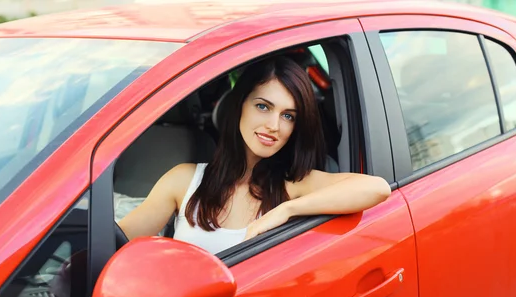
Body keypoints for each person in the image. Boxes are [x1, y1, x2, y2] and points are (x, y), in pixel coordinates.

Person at [118, 56, 391, 254]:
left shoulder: (294, 185)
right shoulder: (185, 180)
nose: (274, 125)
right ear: (239, 107)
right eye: (263, 106)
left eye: (288, 116)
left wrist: (286, 210)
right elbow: (116, 243)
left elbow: (376, 188)